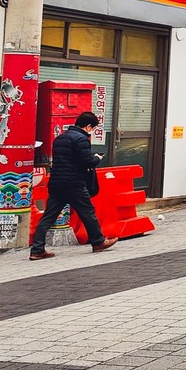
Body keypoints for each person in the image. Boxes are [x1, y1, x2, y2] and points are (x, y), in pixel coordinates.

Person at [29, 111, 118, 260]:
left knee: (49, 216)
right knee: (88, 212)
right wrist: (96, 158)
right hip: (74, 183)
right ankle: (98, 242)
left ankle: (37, 249)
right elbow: (87, 162)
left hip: (57, 183)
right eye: (93, 129)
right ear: (88, 126)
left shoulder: (59, 139)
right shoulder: (81, 140)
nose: (92, 132)